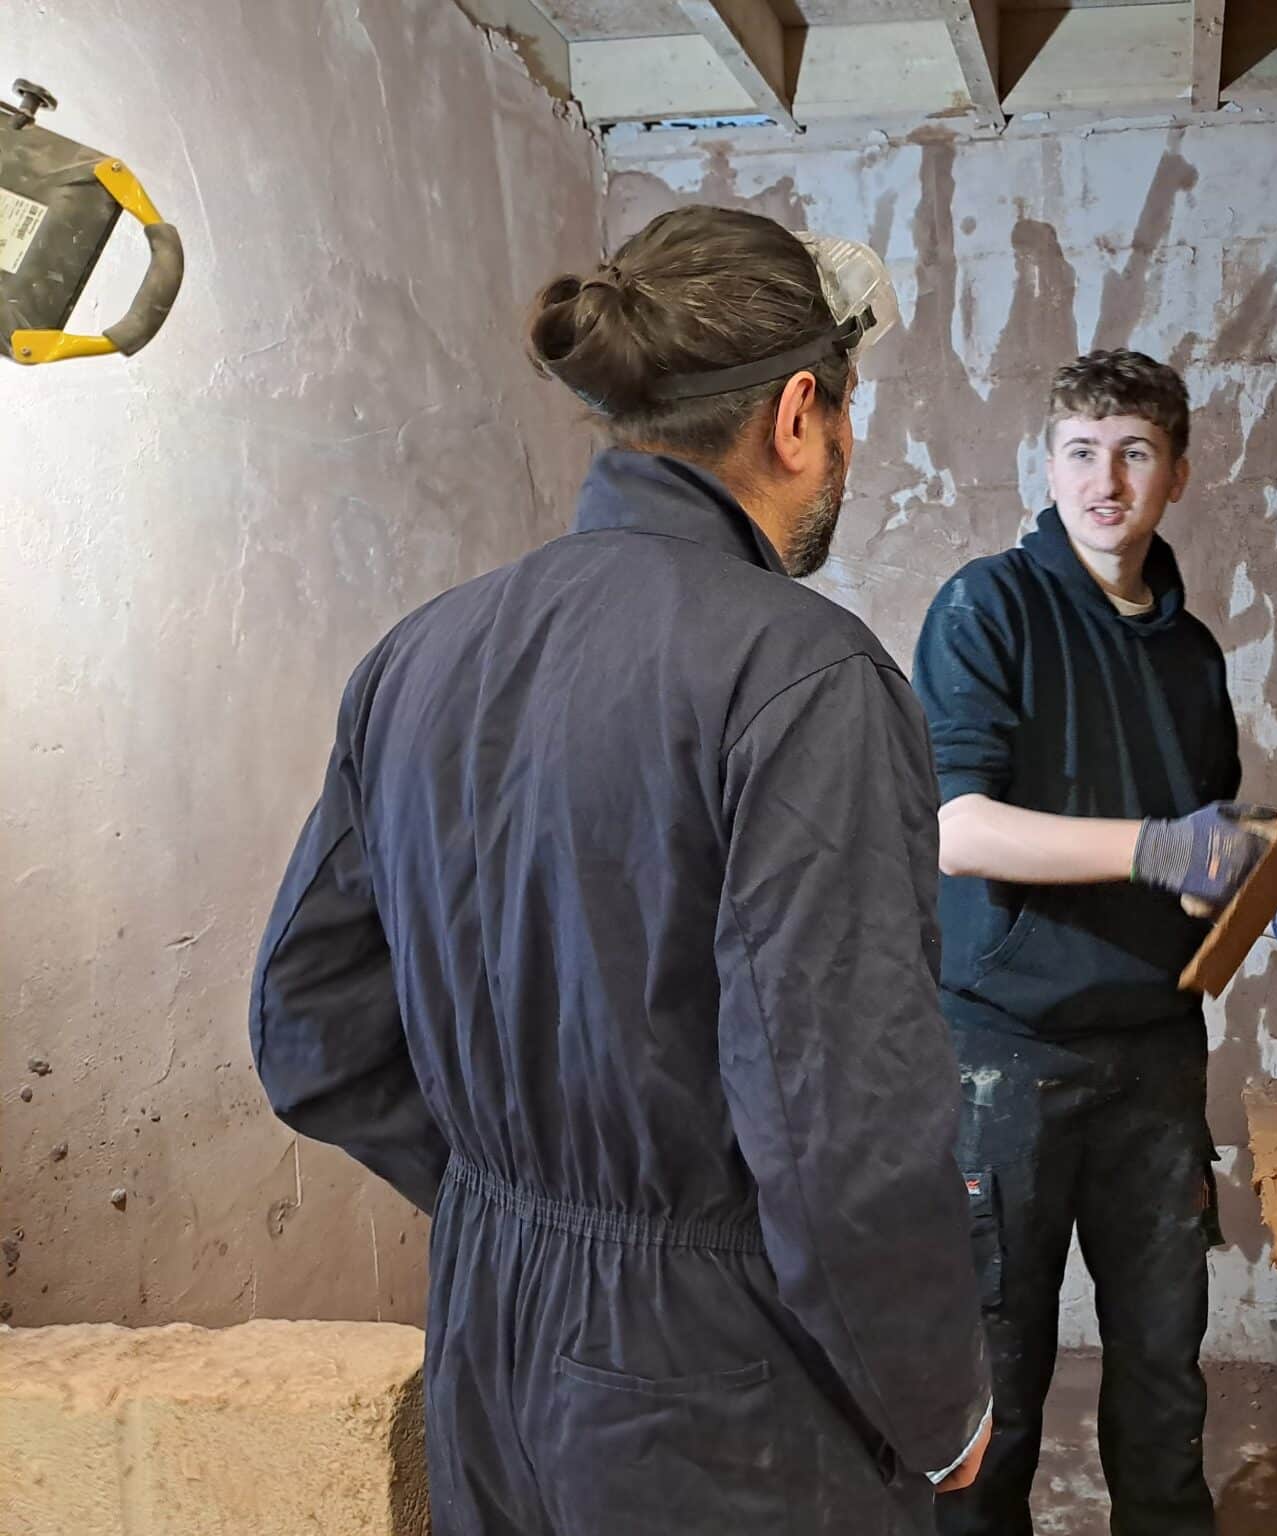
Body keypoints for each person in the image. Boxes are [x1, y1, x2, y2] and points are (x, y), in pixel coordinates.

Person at [248, 205, 990, 1536]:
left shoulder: (419, 655)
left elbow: (309, 1030)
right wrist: (943, 1409)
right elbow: (841, 1134)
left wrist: (523, 1194)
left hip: (491, 1336)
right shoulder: (802, 676)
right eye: (847, 422)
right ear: (799, 413)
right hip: (722, 1390)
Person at [911, 349, 1277, 1536]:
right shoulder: (987, 608)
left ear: (1176, 474)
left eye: (1133, 453)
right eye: (1080, 451)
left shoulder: (1190, 652)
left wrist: (1267, 892)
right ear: (1046, 465)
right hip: (1008, 1052)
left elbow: (1197, 845)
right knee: (993, 1387)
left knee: (1162, 1380)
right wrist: (1161, 850)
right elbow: (959, 829)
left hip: (1154, 1053)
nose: (1104, 480)